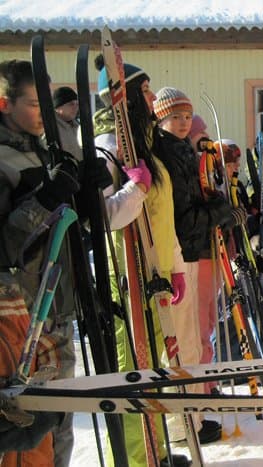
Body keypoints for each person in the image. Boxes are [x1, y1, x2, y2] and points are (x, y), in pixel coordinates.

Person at [93, 59, 193, 466]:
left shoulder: (144, 146)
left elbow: (162, 217)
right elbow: (104, 217)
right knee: (133, 369)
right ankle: (136, 458)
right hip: (127, 277)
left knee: (155, 369)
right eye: (146, 89)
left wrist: (176, 266)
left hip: (156, 273)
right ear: (125, 96)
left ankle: (156, 448)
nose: (153, 97)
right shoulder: (106, 147)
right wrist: (135, 187)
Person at [153, 86, 241, 444]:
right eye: (175, 116)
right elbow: (184, 217)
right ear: (161, 118)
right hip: (181, 255)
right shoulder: (169, 154)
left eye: (187, 117)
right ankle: (183, 422)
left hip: (189, 252)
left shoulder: (182, 154)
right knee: (184, 340)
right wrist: (217, 210)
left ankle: (194, 412)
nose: (183, 123)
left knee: (193, 337)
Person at [0, 58, 69, 467]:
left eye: (47, 103)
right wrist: (45, 199)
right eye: (33, 104)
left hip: (54, 303)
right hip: (17, 312)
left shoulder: (43, 151)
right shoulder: (4, 160)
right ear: (5, 104)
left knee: (60, 416)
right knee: (29, 431)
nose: (45, 113)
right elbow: (6, 244)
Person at [52, 86, 81, 160]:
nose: (75, 107)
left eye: (77, 104)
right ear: (58, 107)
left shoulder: (78, 127)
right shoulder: (50, 128)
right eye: (71, 104)